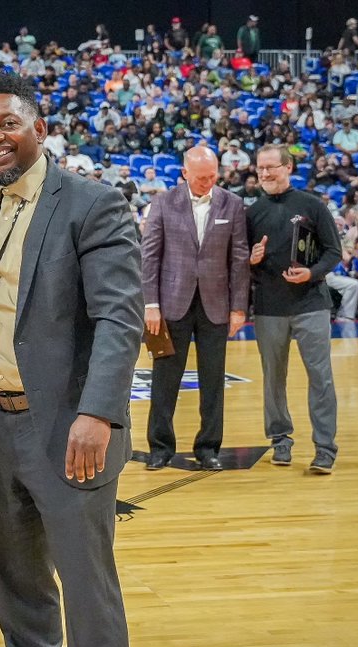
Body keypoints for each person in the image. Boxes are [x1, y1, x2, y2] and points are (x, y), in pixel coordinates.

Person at [0, 73, 142, 647]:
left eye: (6, 124)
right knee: (17, 586)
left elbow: (120, 318)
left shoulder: (91, 204)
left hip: (67, 425)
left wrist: (97, 414)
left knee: (89, 596)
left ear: (39, 126)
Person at [141, 146, 249, 471]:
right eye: (201, 177)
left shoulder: (233, 203)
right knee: (165, 378)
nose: (207, 182)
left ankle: (208, 448)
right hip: (171, 305)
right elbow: (150, 257)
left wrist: (239, 308)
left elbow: (239, 257)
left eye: (212, 176)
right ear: (185, 173)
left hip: (216, 306)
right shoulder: (162, 202)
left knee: (213, 380)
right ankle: (160, 447)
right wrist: (151, 303)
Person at [246, 144, 341, 474]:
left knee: (321, 378)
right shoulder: (253, 211)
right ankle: (280, 440)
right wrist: (251, 259)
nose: (265, 173)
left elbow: (333, 252)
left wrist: (312, 274)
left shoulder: (312, 206)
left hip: (311, 304)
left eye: (271, 167)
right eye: (260, 168)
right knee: (273, 379)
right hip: (269, 307)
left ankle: (325, 447)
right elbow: (244, 262)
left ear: (288, 168)